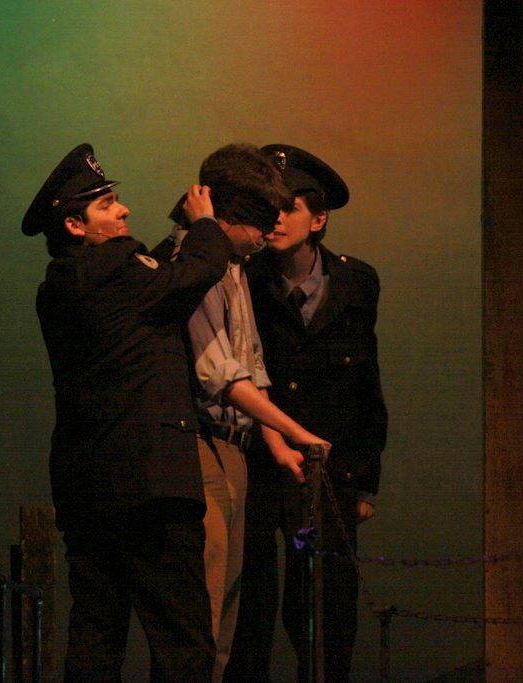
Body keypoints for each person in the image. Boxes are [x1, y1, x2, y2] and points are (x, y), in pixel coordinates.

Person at [23, 143, 233, 682]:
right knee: (182, 641)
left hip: (87, 488)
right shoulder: (118, 266)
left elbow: (146, 290)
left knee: (96, 636)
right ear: (75, 225)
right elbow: (195, 272)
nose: (123, 210)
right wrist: (204, 224)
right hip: (150, 485)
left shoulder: (57, 286)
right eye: (107, 204)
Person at [154, 143, 330, 682]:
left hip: (234, 448)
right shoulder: (194, 265)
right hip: (199, 445)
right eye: (259, 221)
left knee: (227, 607)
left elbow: (250, 361)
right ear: (228, 214)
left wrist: (276, 443)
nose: (266, 235)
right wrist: (296, 430)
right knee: (203, 609)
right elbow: (219, 374)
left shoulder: (235, 267)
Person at [226, 144, 388, 682]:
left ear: (318, 219)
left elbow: (365, 383)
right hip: (256, 460)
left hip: (326, 465)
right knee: (250, 604)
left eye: (288, 208)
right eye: (267, 207)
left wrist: (363, 481)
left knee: (326, 607)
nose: (274, 219)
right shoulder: (241, 277)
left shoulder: (355, 281)